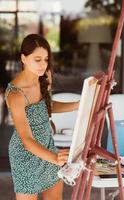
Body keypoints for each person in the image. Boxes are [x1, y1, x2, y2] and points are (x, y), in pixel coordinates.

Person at [5, 34, 79, 200]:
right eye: (37, 59)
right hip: (26, 155)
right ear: (23, 58)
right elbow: (26, 140)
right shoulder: (15, 94)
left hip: (47, 146)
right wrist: (55, 158)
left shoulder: (44, 77)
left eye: (46, 59)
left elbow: (46, 107)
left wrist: (77, 105)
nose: (43, 65)